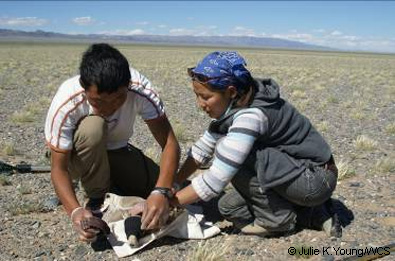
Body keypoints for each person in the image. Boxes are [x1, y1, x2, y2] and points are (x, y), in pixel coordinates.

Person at [171, 51, 339, 237]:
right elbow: (202, 149)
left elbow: (216, 179)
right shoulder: (241, 100)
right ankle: (310, 214)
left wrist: (168, 204)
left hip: (315, 179)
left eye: (206, 97)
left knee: (230, 150)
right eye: (197, 95)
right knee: (228, 207)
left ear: (231, 92)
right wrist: (173, 185)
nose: (200, 104)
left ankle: (278, 221)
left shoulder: (251, 116)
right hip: (296, 173)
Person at [44, 43, 180, 242]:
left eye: (118, 99)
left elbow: (169, 143)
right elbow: (59, 168)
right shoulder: (67, 101)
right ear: (84, 88)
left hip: (116, 151)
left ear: (128, 86)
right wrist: (74, 211)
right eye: (98, 101)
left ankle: (112, 185)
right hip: (76, 158)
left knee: (169, 189)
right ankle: (97, 199)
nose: (109, 108)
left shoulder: (141, 90)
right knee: (93, 127)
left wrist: (161, 191)